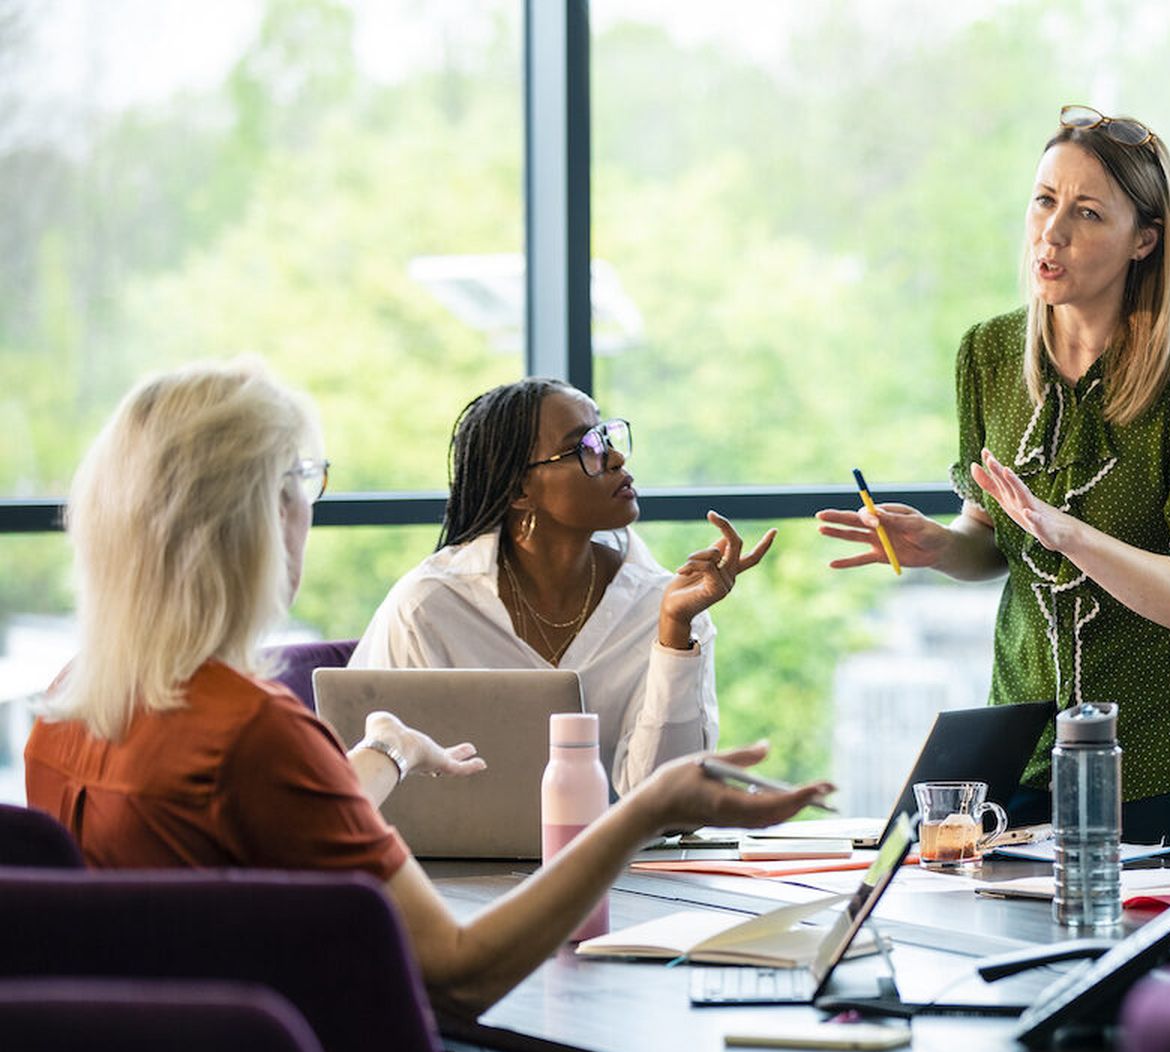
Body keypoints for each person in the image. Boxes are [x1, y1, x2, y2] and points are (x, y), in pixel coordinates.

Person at [24, 358, 831, 1018]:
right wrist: (650, 808)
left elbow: (278, 833)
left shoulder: (61, 718)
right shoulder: (252, 736)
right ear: (257, 519)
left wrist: (384, 751)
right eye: (301, 481)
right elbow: (456, 974)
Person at [817, 105, 1170, 864]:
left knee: (1153, 979)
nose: (1052, 233)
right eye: (1044, 200)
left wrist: (1070, 533)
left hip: (1166, 758)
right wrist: (939, 547)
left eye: (1087, 214)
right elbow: (990, 542)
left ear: (1144, 240)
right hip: (1028, 750)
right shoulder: (987, 356)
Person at [351, 377, 772, 794]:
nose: (615, 458)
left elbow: (668, 799)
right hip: (455, 863)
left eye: (607, 437)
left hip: (626, 862)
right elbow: (377, 787)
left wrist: (674, 631)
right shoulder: (429, 607)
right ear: (520, 490)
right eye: (586, 447)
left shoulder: (663, 603)